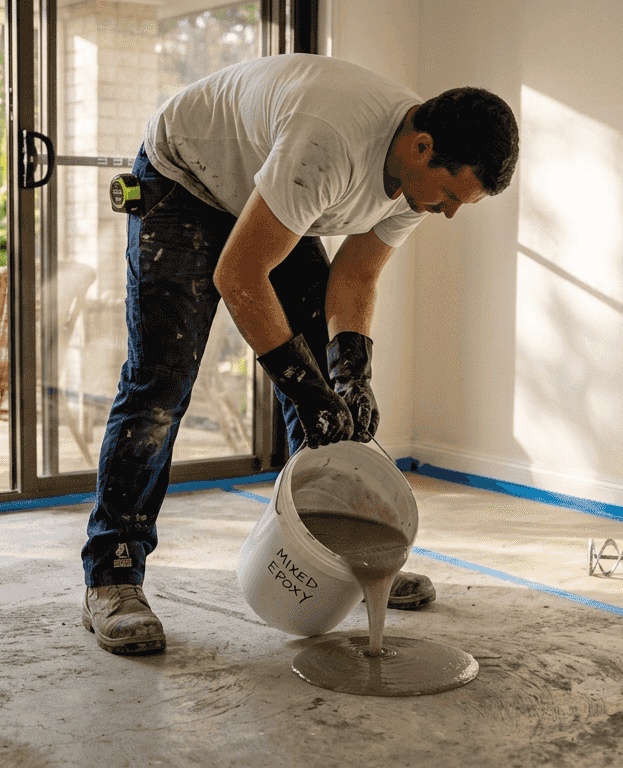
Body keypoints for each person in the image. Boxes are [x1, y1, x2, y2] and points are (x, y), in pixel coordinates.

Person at [81, 53, 519, 654]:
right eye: (448, 195)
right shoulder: (333, 141)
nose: (445, 212)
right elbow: (239, 274)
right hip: (185, 181)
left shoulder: (414, 180)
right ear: (422, 148)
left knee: (333, 396)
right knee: (162, 383)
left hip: (266, 193)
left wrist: (350, 374)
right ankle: (113, 575)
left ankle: (349, 560)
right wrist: (302, 386)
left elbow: (357, 276)